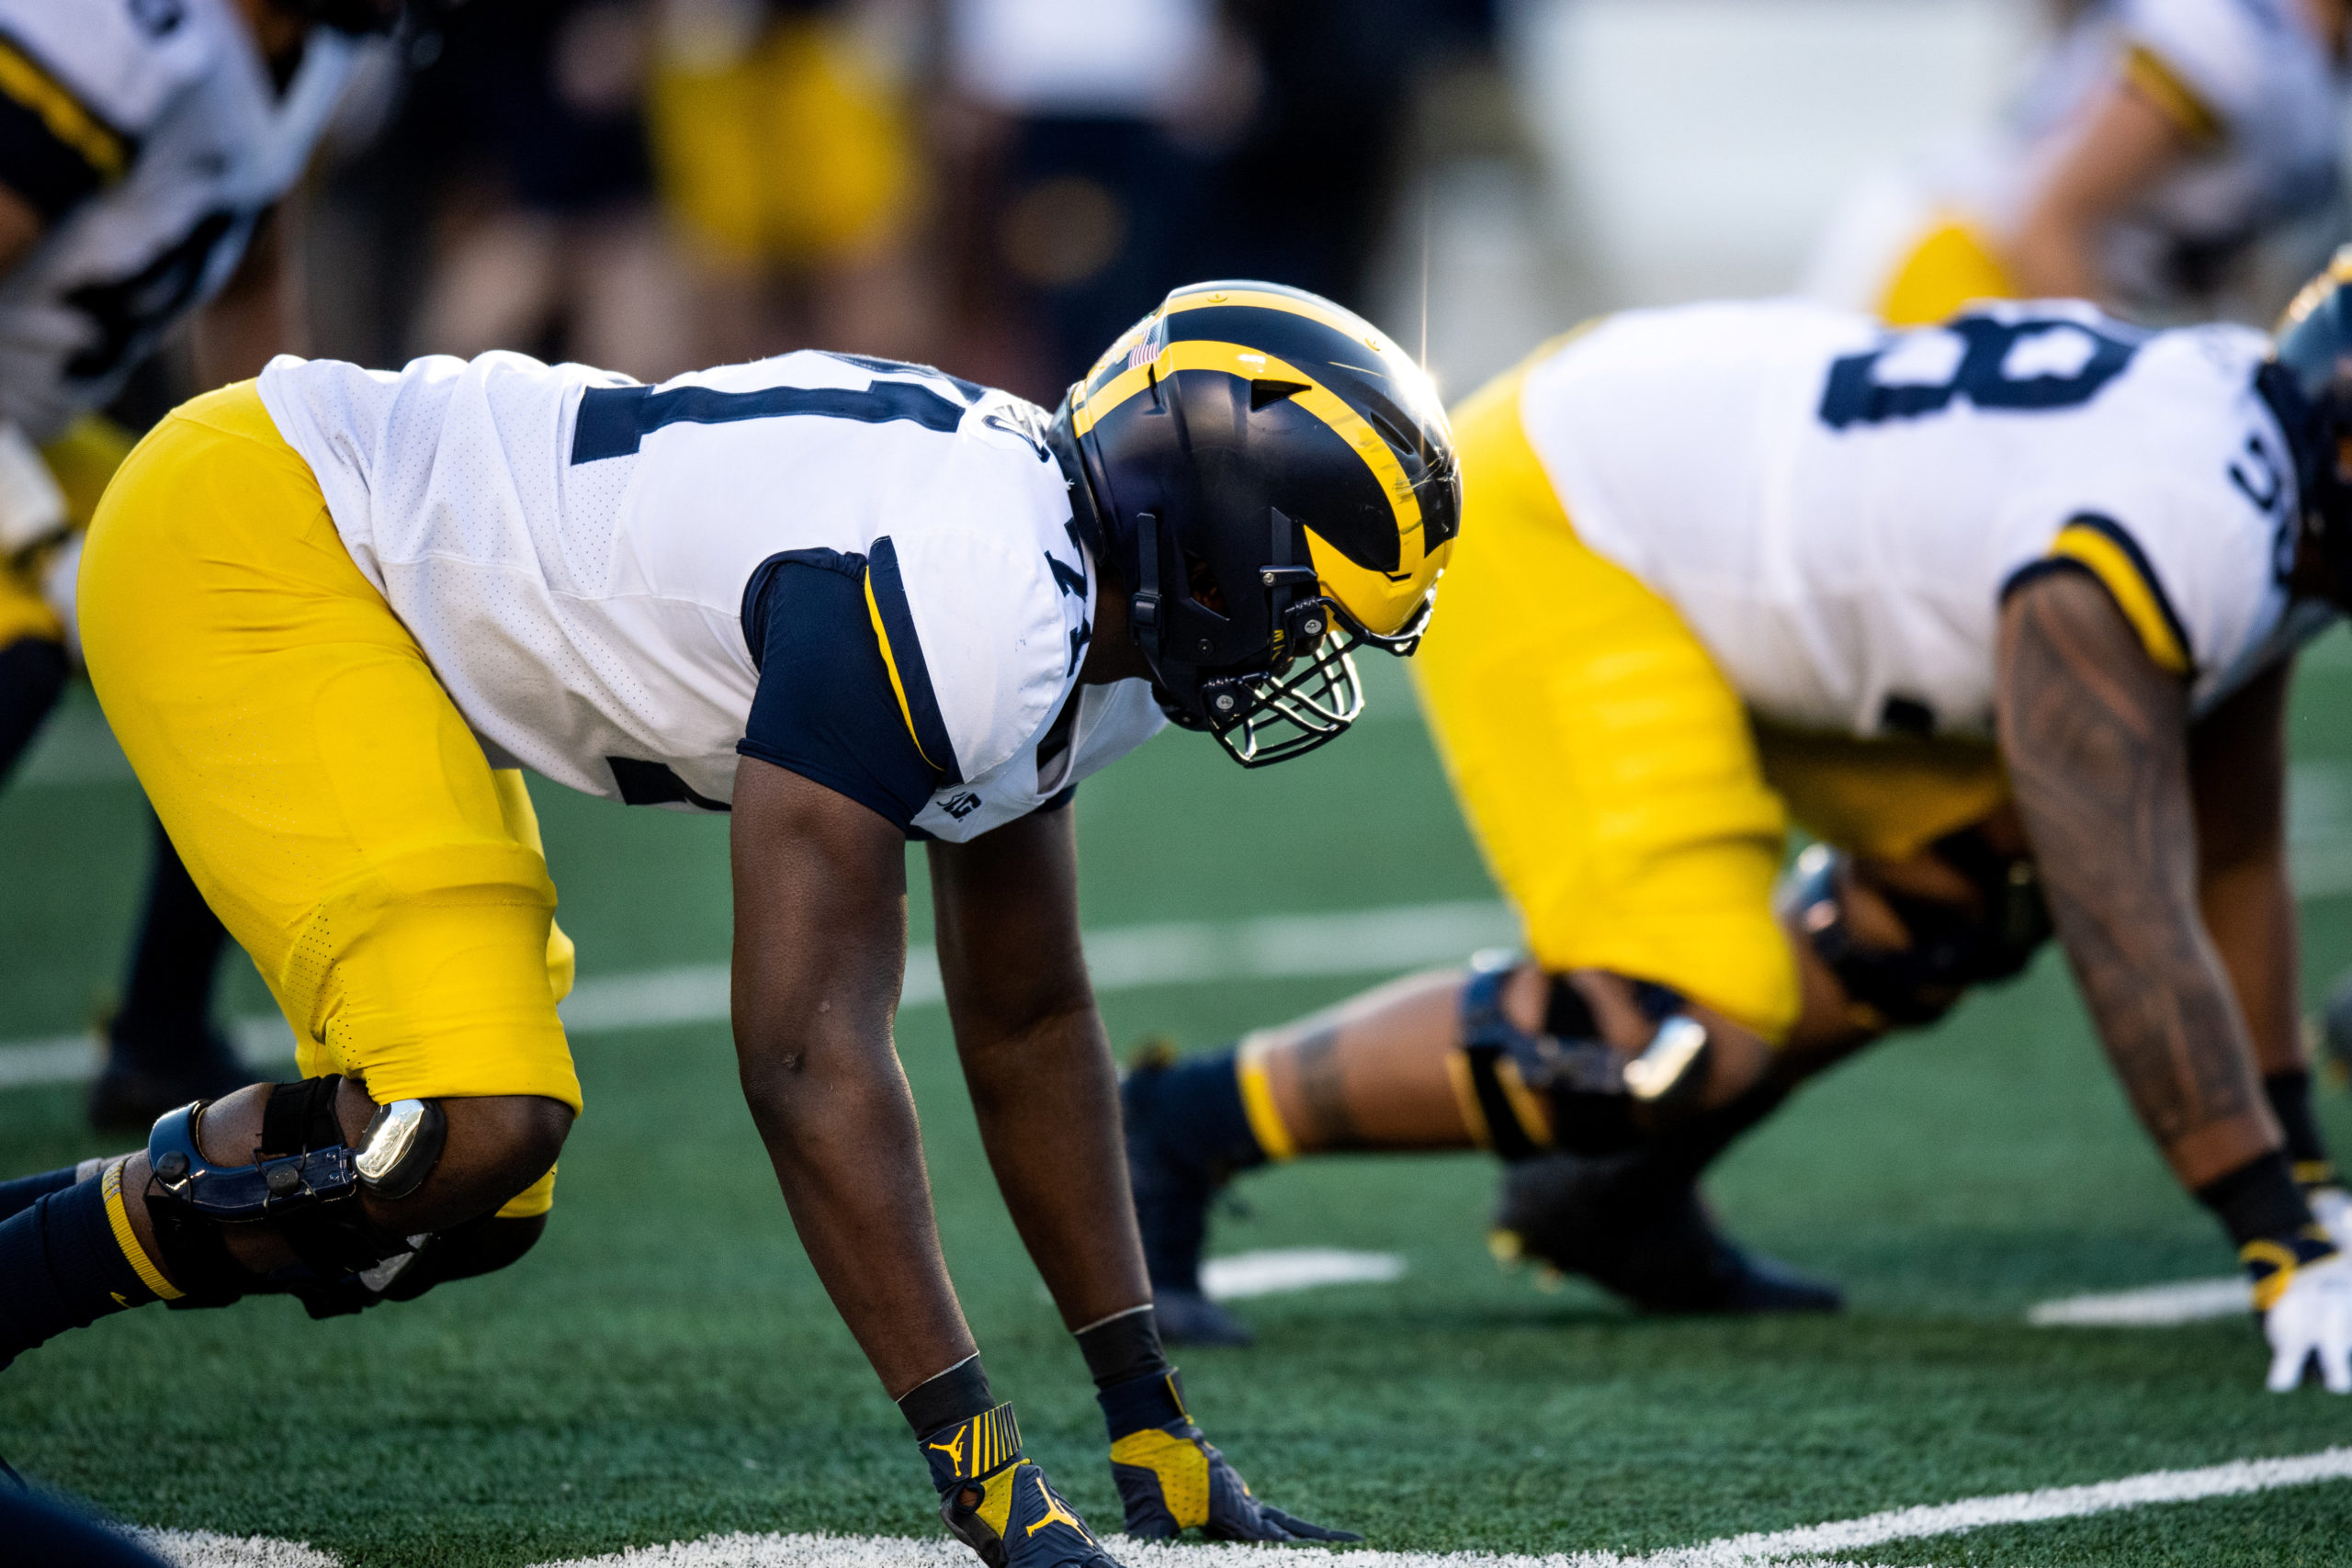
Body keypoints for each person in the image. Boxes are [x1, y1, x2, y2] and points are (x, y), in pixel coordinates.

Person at [0, 280, 1460, 1560]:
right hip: (269, 540)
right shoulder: (982, 586)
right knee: (466, 1125)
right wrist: (989, 1477)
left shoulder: (1080, 620)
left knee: (470, 1196)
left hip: (369, 595)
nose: (1304, 650)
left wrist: (1146, 1415)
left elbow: (1029, 1017)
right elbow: (807, 1058)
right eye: (1299, 604)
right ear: (1193, 532)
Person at [1123, 262, 2352, 1395]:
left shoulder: (2255, 482)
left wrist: (2302, 1180)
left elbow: (2231, 843)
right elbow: (2127, 909)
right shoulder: (2194, 521)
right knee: (1669, 1026)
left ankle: (1614, 1194)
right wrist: (2273, 1232)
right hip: (1581, 516)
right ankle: (1185, 1127)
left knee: (1972, 873)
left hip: (1729, 515)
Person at [0, 0, 390, 1126]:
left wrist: (282, 480)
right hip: (13, 432)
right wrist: (30, 526)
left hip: (33, 415)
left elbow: (251, 270)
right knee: (19, 644)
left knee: (258, 617)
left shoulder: (319, 53)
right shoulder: (124, 35)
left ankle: (162, 1035)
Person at [1804, 0, 2349, 326]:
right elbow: (2051, 224)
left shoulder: (2310, 64)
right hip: (1965, 263)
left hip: (2014, 270)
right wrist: (2122, 397)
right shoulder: (2239, 37)